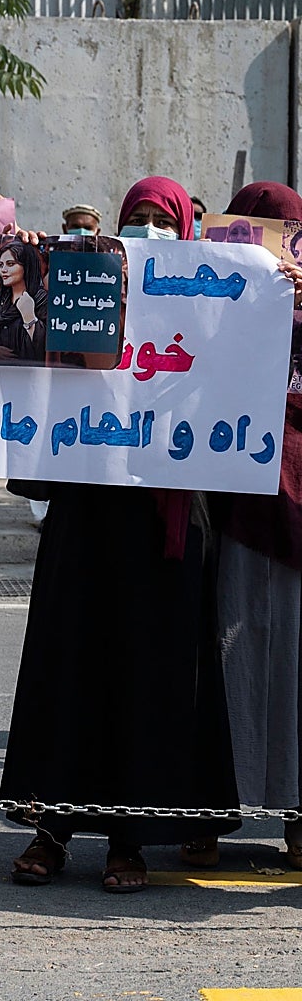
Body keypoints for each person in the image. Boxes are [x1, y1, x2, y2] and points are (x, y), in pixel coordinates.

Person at [2, 175, 241, 893]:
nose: (148, 232)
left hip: (164, 522)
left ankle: (127, 840)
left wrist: (274, 287)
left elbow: (238, 374)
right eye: (136, 219)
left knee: (146, 675)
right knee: (69, 663)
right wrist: (42, 263)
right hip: (87, 509)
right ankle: (51, 830)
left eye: (161, 221)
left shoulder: (210, 308)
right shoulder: (88, 290)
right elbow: (35, 361)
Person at [202, 181, 302, 869]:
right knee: (223, 657)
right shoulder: (211, 301)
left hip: (296, 505)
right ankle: (207, 810)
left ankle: (298, 817)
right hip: (232, 504)